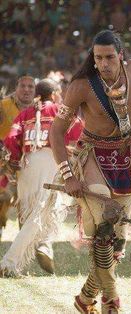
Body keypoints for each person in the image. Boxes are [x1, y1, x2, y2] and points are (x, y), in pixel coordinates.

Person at [49, 30, 131, 313]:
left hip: (124, 159)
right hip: (92, 159)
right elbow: (56, 132)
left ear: (121, 55)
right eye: (98, 58)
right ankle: (112, 302)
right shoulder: (81, 86)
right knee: (106, 228)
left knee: (115, 242)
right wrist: (68, 175)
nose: (104, 63)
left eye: (110, 57)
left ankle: (85, 299)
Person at [0, 79, 83, 276]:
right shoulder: (59, 110)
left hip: (26, 165)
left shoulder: (25, 114)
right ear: (54, 94)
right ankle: (8, 263)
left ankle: (39, 249)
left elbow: (11, 138)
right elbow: (81, 130)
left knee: (34, 215)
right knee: (40, 216)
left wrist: (13, 162)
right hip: (49, 162)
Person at [0, 76, 35, 240]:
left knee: (27, 203)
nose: (27, 89)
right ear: (16, 87)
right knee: (2, 198)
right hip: (4, 163)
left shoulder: (38, 108)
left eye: (30, 86)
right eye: (23, 86)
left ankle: (23, 241)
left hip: (29, 164)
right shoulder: (4, 105)